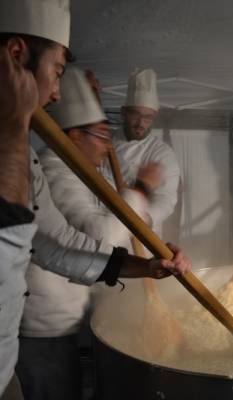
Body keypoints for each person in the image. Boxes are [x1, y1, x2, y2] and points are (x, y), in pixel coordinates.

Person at [0, 2, 190, 398]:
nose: (54, 92)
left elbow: (53, 244)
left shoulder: (26, 158)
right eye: (55, 72)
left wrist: (146, 266)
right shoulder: (21, 150)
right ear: (16, 57)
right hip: (35, 329)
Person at [17, 68, 163, 400]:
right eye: (100, 134)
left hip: (63, 320)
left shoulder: (81, 173)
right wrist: (141, 189)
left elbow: (112, 222)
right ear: (74, 137)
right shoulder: (54, 171)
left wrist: (146, 260)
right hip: (42, 326)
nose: (107, 145)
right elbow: (98, 236)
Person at [110, 68, 181, 238]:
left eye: (148, 117)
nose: (141, 123)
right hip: (105, 230)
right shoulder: (106, 143)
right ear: (123, 112)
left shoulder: (162, 153)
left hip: (142, 237)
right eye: (136, 114)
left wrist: (144, 220)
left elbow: (166, 199)